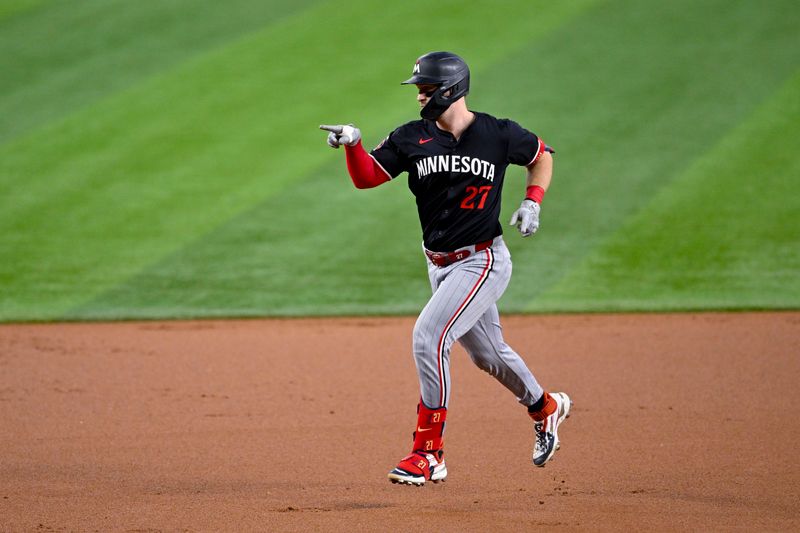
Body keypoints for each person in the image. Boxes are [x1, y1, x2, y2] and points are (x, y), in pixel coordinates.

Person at [320, 51, 571, 486]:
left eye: (426, 89)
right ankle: (546, 408)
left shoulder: (498, 133)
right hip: (439, 265)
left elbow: (542, 155)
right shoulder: (410, 138)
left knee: (429, 336)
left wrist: (533, 200)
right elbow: (369, 178)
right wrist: (355, 145)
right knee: (488, 355)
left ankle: (428, 453)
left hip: (483, 260)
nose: (420, 97)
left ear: (451, 90)